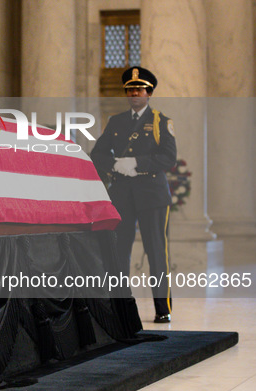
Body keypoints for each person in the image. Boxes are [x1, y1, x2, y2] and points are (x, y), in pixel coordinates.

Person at [90, 66, 177, 324]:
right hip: (123, 194)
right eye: (130, 90)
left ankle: (163, 308)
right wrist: (115, 165)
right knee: (119, 251)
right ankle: (121, 308)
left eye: (139, 89)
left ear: (149, 93)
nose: (134, 93)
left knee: (156, 252)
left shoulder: (161, 121)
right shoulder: (116, 122)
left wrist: (137, 162)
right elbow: (98, 154)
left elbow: (169, 158)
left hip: (152, 194)